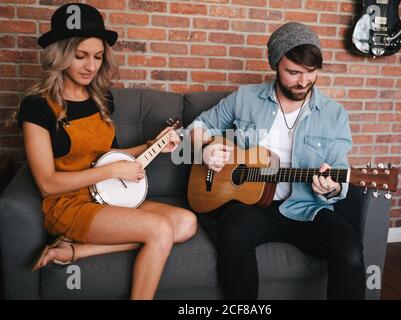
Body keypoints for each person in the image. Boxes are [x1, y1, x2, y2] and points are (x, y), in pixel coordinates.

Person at [17, 3, 197, 300]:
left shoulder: (100, 98)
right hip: (68, 204)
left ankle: (78, 250)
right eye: (81, 56)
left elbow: (108, 156)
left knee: (187, 222)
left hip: (109, 192)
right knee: (160, 229)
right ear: (61, 55)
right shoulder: (37, 106)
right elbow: (47, 183)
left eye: (98, 57)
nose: (91, 66)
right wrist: (111, 171)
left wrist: (154, 145)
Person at [188, 22, 365, 300]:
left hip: (306, 207)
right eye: (293, 72)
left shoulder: (335, 114)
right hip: (252, 206)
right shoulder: (245, 98)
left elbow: (338, 174)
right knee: (233, 233)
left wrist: (329, 188)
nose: (303, 81)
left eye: (311, 72)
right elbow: (198, 126)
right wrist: (206, 148)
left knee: (350, 248)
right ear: (275, 65)